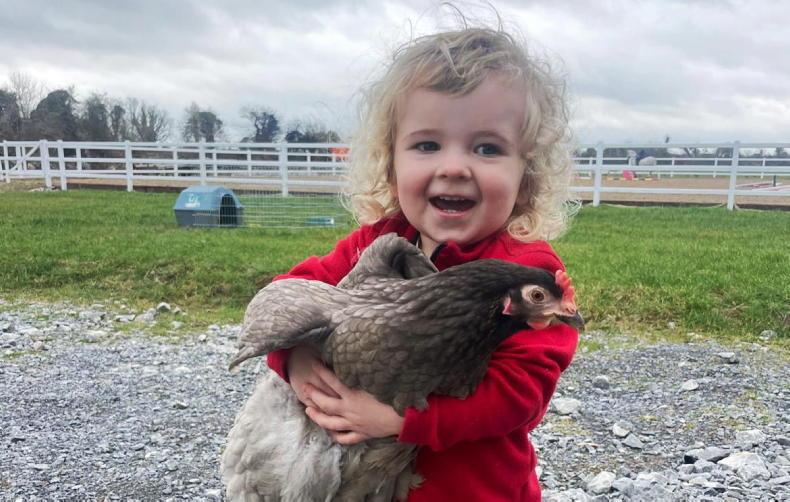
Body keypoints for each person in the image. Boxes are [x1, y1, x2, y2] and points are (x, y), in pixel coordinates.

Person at [266, 25, 580, 501]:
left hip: (472, 488)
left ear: (527, 174)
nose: (453, 167)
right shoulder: (379, 242)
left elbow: (520, 394)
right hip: (368, 485)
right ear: (391, 164)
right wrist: (295, 358)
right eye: (427, 145)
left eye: (487, 148)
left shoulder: (527, 273)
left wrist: (401, 419)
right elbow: (291, 294)